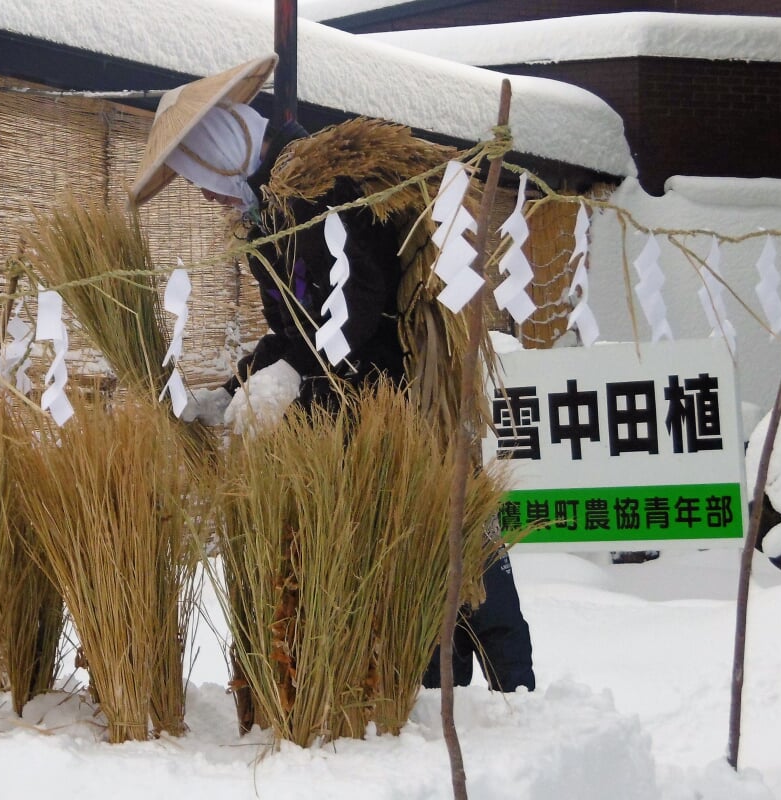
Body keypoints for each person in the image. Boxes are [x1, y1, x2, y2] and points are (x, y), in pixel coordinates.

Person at [128, 55, 534, 692]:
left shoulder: (318, 186)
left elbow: (357, 307)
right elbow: (294, 330)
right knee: (403, 572)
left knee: (462, 548)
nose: (203, 194)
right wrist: (238, 387)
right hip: (354, 404)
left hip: (403, 394)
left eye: (199, 176)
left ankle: (518, 698)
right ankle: (424, 703)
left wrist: (290, 382)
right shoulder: (267, 212)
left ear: (221, 151)